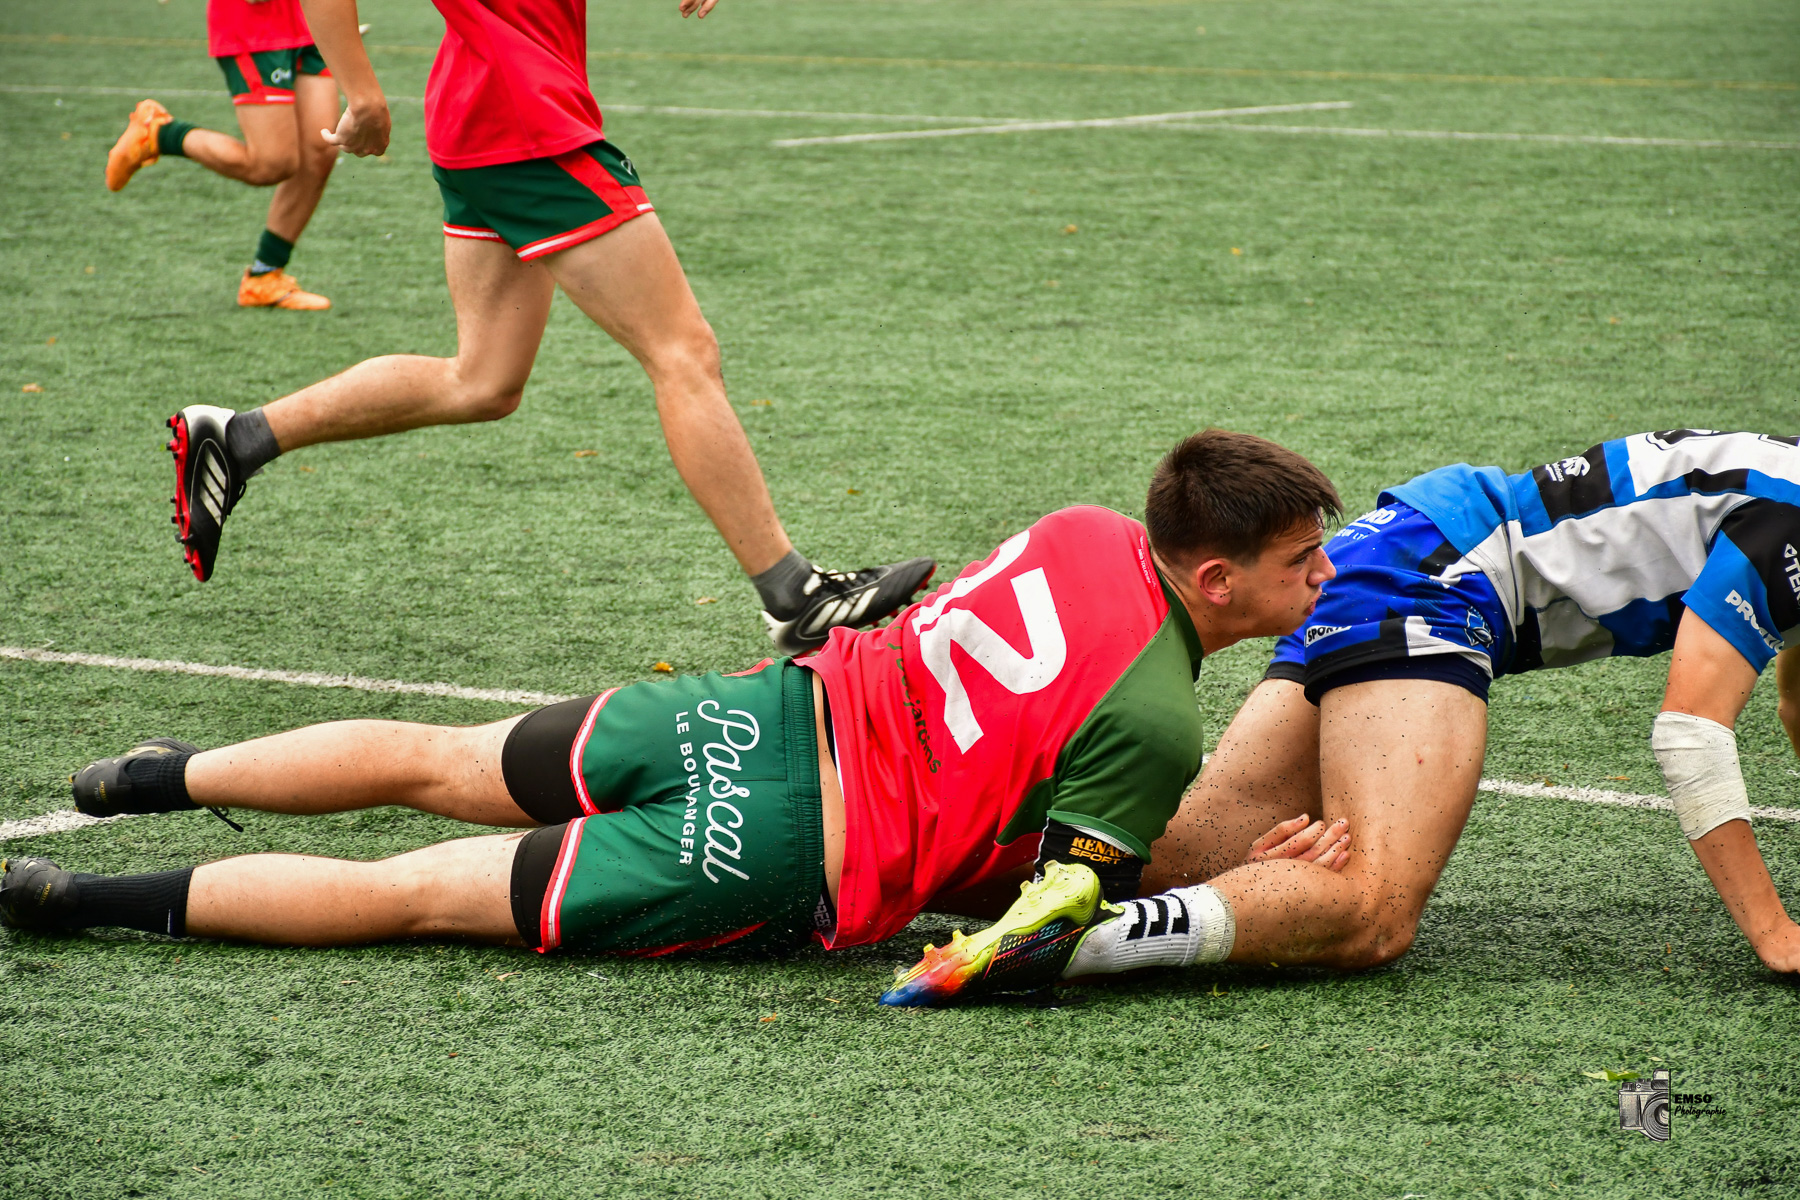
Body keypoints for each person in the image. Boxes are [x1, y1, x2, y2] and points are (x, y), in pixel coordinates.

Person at [4, 432, 1345, 990]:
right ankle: (90, 900)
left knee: (434, 756)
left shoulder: (1079, 525)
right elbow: (1036, 930)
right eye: (1304, 562)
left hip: (739, 714)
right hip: (770, 847)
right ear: (1218, 576)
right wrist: (1247, 880)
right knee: (411, 891)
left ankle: (160, 775)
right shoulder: (1162, 720)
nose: (1323, 580)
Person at [162, 0, 931, 656]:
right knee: (682, 351)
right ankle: (793, 594)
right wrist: (361, 94)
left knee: (484, 379)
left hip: (487, 116)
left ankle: (236, 439)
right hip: (524, 125)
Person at [918, 429, 1800, 999]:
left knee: (1174, 860)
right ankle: (1075, 947)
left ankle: (918, 877)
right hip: (1436, 580)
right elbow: (1690, 730)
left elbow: (1794, 697)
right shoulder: (1792, 521)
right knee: (1371, 910)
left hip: (1394, 553)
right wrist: (1776, 933)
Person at [105, 0, 344, 310]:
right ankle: (160, 134)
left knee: (321, 149)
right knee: (272, 164)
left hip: (311, 17)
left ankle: (264, 276)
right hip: (256, 21)